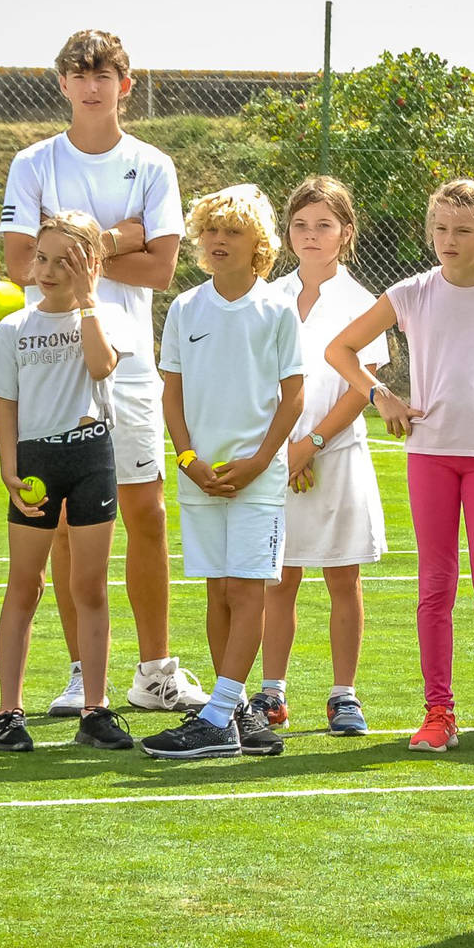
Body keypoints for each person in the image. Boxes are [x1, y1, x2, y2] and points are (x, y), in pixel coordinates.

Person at [0, 29, 206, 716]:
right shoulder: (33, 162)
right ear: (61, 83)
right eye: (79, 74)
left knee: (145, 513)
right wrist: (117, 236)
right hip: (52, 370)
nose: (92, 85)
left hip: (132, 367)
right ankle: (80, 670)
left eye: (105, 73)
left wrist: (73, 250)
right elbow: (22, 258)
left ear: (125, 82)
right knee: (61, 524)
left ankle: (155, 672)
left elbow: (162, 265)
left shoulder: (152, 164)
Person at [326, 179, 474, 756]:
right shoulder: (412, 293)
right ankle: (438, 713)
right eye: (440, 228)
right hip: (430, 454)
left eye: (462, 230)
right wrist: (381, 397)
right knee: (435, 586)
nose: (448, 239)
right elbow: (340, 350)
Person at [142, 185, 304, 759]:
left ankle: (215, 717)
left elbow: (292, 398)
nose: (217, 240)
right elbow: (172, 395)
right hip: (199, 477)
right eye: (210, 230)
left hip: (258, 477)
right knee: (217, 589)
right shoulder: (185, 308)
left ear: (258, 243)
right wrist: (188, 460)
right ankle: (231, 714)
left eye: (231, 232)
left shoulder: (278, 308)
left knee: (246, 586)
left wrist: (260, 461)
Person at [0, 211, 137, 752]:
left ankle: (95, 710)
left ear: (89, 265)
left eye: (62, 261)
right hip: (35, 462)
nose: (45, 270)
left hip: (91, 457)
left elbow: (99, 368)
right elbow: (6, 405)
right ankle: (8, 714)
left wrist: (89, 301)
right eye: (40, 258)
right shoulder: (14, 327)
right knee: (25, 584)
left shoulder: (104, 315)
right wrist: (8, 467)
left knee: (89, 586)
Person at [256, 177, 386, 736]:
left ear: (346, 233)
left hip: (336, 455)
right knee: (278, 580)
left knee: (342, 580)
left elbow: (362, 387)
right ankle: (271, 695)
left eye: (324, 225)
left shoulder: (363, 303)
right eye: (301, 225)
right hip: (276, 456)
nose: (311, 235)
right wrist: (285, 447)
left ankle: (343, 696)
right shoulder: (267, 297)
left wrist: (311, 444)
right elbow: (259, 380)